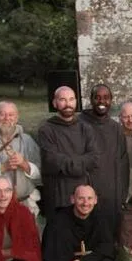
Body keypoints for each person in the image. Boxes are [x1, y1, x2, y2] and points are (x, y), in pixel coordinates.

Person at [37, 86, 100, 216]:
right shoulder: (46, 130)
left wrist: (69, 162)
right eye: (63, 100)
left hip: (83, 193)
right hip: (58, 193)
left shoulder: (85, 128)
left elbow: (94, 158)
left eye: (71, 99)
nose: (68, 104)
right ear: (55, 103)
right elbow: (52, 160)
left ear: (76, 102)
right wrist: (81, 164)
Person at [78, 84, 130, 238]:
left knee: (110, 239)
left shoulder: (116, 128)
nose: (102, 101)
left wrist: (121, 195)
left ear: (111, 100)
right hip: (88, 195)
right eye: (97, 97)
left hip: (112, 196)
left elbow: (123, 163)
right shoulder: (79, 124)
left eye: (106, 98)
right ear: (91, 100)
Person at [118, 102, 132, 191]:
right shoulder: (115, 139)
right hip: (124, 189)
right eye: (126, 117)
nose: (130, 120)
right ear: (120, 118)